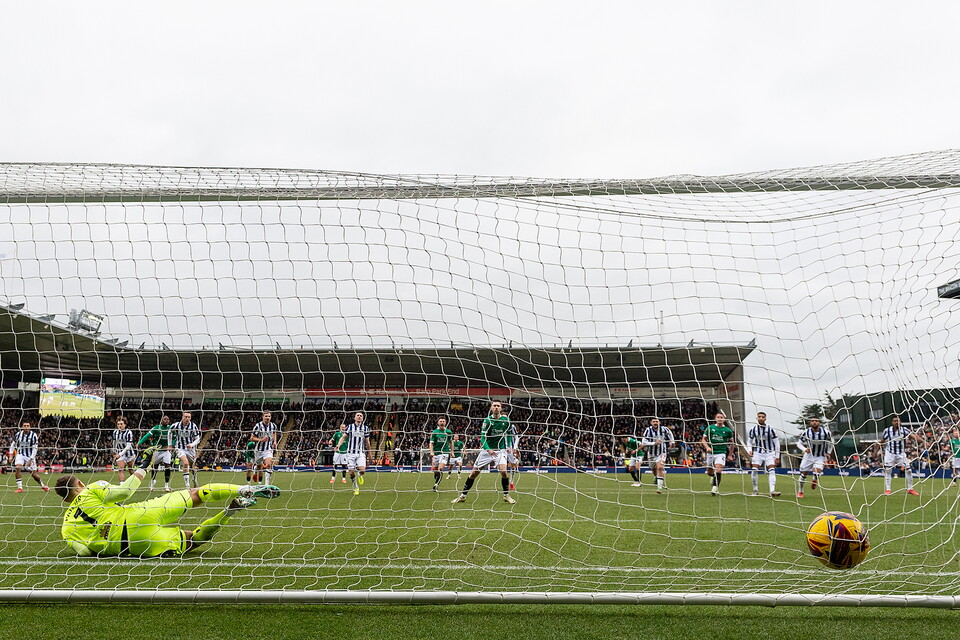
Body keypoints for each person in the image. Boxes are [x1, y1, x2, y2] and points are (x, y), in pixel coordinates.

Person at [56, 449, 280, 557]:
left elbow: (84, 552)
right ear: (80, 484)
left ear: (65, 499)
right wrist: (144, 466)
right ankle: (244, 489)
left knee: (192, 541)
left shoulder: (66, 528)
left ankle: (229, 512)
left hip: (133, 546)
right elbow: (125, 491)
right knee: (196, 494)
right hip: (138, 515)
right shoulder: (91, 489)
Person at [451, 401, 515, 504]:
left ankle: (506, 495)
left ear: (501, 408)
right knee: (473, 474)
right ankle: (462, 496)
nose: (496, 407)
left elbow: (509, 433)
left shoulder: (506, 420)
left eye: (498, 406)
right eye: (494, 406)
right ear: (491, 408)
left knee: (503, 471)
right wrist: (488, 449)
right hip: (486, 451)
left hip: (500, 450)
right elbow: (482, 438)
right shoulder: (487, 421)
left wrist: (508, 446)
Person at [879, 416, 921, 496]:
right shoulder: (887, 431)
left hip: (901, 453)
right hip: (890, 453)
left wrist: (923, 441)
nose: (896, 422)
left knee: (908, 469)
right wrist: (877, 450)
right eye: (895, 421)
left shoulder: (904, 430)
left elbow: (913, 436)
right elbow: (882, 441)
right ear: (892, 422)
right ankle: (888, 489)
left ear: (900, 422)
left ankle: (910, 489)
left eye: (897, 421)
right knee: (888, 470)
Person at [8, 421, 49, 493]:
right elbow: (13, 445)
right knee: (18, 467)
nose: (26, 427)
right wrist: (11, 455)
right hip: (20, 454)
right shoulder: (18, 434)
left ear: (30, 427)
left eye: (27, 425)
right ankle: (20, 488)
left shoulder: (33, 435)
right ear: (22, 427)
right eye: (24, 425)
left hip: (30, 456)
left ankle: (42, 485)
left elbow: (35, 448)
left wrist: (30, 460)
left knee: (33, 474)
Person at [747, 412, 781, 497]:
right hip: (758, 453)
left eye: (763, 417)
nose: (761, 418)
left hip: (770, 452)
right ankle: (755, 490)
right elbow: (749, 441)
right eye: (759, 417)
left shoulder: (770, 429)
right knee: (754, 469)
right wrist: (750, 450)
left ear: (765, 419)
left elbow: (777, 443)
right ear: (757, 418)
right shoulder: (753, 429)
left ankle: (772, 491)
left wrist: (777, 456)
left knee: (772, 470)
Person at [336, 412, 371, 495]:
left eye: (361, 416)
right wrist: (338, 445)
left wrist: (369, 453)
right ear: (354, 418)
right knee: (351, 473)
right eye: (357, 415)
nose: (359, 417)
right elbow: (343, 437)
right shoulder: (350, 427)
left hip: (360, 453)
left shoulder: (365, 428)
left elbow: (367, 441)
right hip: (350, 453)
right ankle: (356, 487)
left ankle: (360, 475)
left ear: (363, 418)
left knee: (362, 470)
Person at [797, 417, 832, 498]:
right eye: (812, 421)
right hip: (809, 456)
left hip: (820, 456)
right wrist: (805, 449)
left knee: (817, 472)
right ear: (810, 423)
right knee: (804, 474)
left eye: (816, 421)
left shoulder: (826, 432)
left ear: (819, 422)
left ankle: (814, 479)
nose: (814, 422)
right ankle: (800, 491)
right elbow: (799, 444)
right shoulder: (806, 432)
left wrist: (828, 452)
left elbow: (830, 443)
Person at [138, 415, 173, 492]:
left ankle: (166, 485)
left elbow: (175, 438)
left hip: (166, 451)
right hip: (157, 450)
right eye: (165, 419)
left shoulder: (171, 428)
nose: (166, 420)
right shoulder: (156, 428)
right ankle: (152, 482)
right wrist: (140, 443)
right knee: (155, 467)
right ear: (161, 420)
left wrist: (171, 445)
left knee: (167, 466)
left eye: (168, 419)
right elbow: (147, 435)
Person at [701, 412, 734, 496]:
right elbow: (703, 439)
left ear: (724, 419)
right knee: (709, 472)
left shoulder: (728, 430)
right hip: (711, 453)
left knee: (718, 469)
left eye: (721, 417)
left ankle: (714, 488)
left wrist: (730, 455)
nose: (720, 419)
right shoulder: (710, 428)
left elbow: (732, 443)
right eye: (718, 417)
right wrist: (707, 447)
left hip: (721, 453)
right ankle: (713, 476)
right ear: (715, 419)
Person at [642, 418, 674, 494]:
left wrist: (672, 441)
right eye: (653, 422)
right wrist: (654, 443)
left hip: (662, 452)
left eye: (656, 421)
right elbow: (643, 442)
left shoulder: (664, 429)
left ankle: (659, 488)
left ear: (659, 422)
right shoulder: (648, 430)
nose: (655, 423)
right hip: (651, 453)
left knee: (659, 467)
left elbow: (670, 433)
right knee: (653, 469)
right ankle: (656, 476)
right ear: (651, 423)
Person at [251, 411, 279, 487]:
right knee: (259, 466)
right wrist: (261, 440)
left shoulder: (273, 425)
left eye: (269, 416)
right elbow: (252, 438)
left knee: (269, 464)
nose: (267, 418)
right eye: (266, 416)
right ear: (262, 417)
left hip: (268, 448)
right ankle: (255, 468)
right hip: (258, 450)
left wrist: (275, 441)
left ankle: (266, 485)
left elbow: (274, 433)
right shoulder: (258, 426)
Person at [174, 412, 201, 489]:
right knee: (185, 463)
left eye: (189, 417)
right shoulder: (176, 425)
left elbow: (198, 439)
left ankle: (195, 480)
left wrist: (191, 445)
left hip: (190, 450)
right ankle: (187, 486)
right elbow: (169, 432)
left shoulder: (193, 426)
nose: (187, 419)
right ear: (182, 417)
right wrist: (170, 444)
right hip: (180, 448)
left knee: (192, 467)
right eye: (185, 417)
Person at [429, 417, 453, 492]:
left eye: (443, 421)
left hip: (445, 453)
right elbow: (431, 443)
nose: (442, 422)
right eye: (441, 421)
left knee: (440, 469)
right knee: (435, 471)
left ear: (445, 423)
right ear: (438, 423)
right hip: (436, 453)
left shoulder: (448, 432)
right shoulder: (434, 432)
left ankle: (436, 485)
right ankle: (437, 479)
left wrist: (452, 452)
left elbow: (451, 442)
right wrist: (431, 452)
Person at [112, 417, 136, 482]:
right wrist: (114, 451)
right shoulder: (115, 432)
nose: (120, 426)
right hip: (119, 453)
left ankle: (134, 482)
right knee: (120, 469)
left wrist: (119, 454)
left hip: (129, 453)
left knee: (130, 469)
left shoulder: (129, 432)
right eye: (118, 424)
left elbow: (128, 446)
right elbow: (114, 442)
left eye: (121, 424)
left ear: (125, 424)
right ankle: (122, 485)